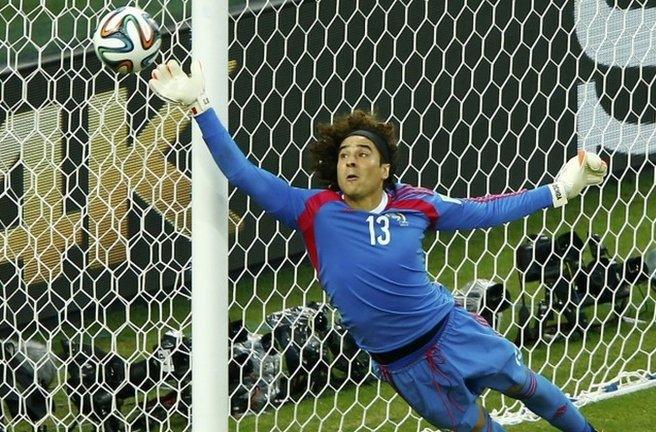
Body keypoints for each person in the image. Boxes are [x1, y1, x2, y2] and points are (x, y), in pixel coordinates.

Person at [149, 60, 607, 432]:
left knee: (530, 387)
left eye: (363, 153)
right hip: (403, 364)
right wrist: (201, 107)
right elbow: (244, 174)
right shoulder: (315, 210)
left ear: (385, 169)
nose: (351, 160)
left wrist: (558, 191)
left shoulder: (417, 204)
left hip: (452, 330)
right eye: (345, 154)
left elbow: (484, 210)